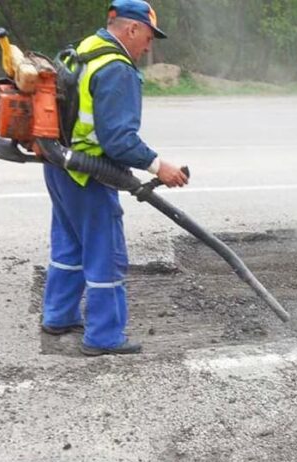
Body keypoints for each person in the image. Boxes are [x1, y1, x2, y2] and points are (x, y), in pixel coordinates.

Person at [41, 0, 189, 356]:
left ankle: (58, 316)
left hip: (60, 166)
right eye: (149, 37)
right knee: (105, 254)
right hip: (88, 176)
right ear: (132, 29)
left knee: (70, 245)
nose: (149, 46)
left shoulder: (84, 48)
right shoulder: (117, 68)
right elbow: (119, 140)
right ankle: (104, 337)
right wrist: (158, 167)